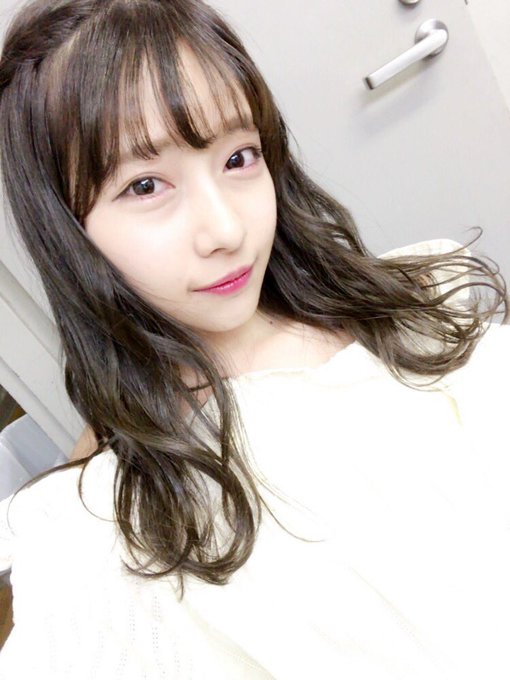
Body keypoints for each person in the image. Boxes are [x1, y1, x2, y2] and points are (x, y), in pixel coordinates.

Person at [0, 1, 509, 678]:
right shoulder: (94, 525)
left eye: (239, 157)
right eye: (146, 185)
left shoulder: (401, 317)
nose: (227, 229)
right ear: (65, 229)